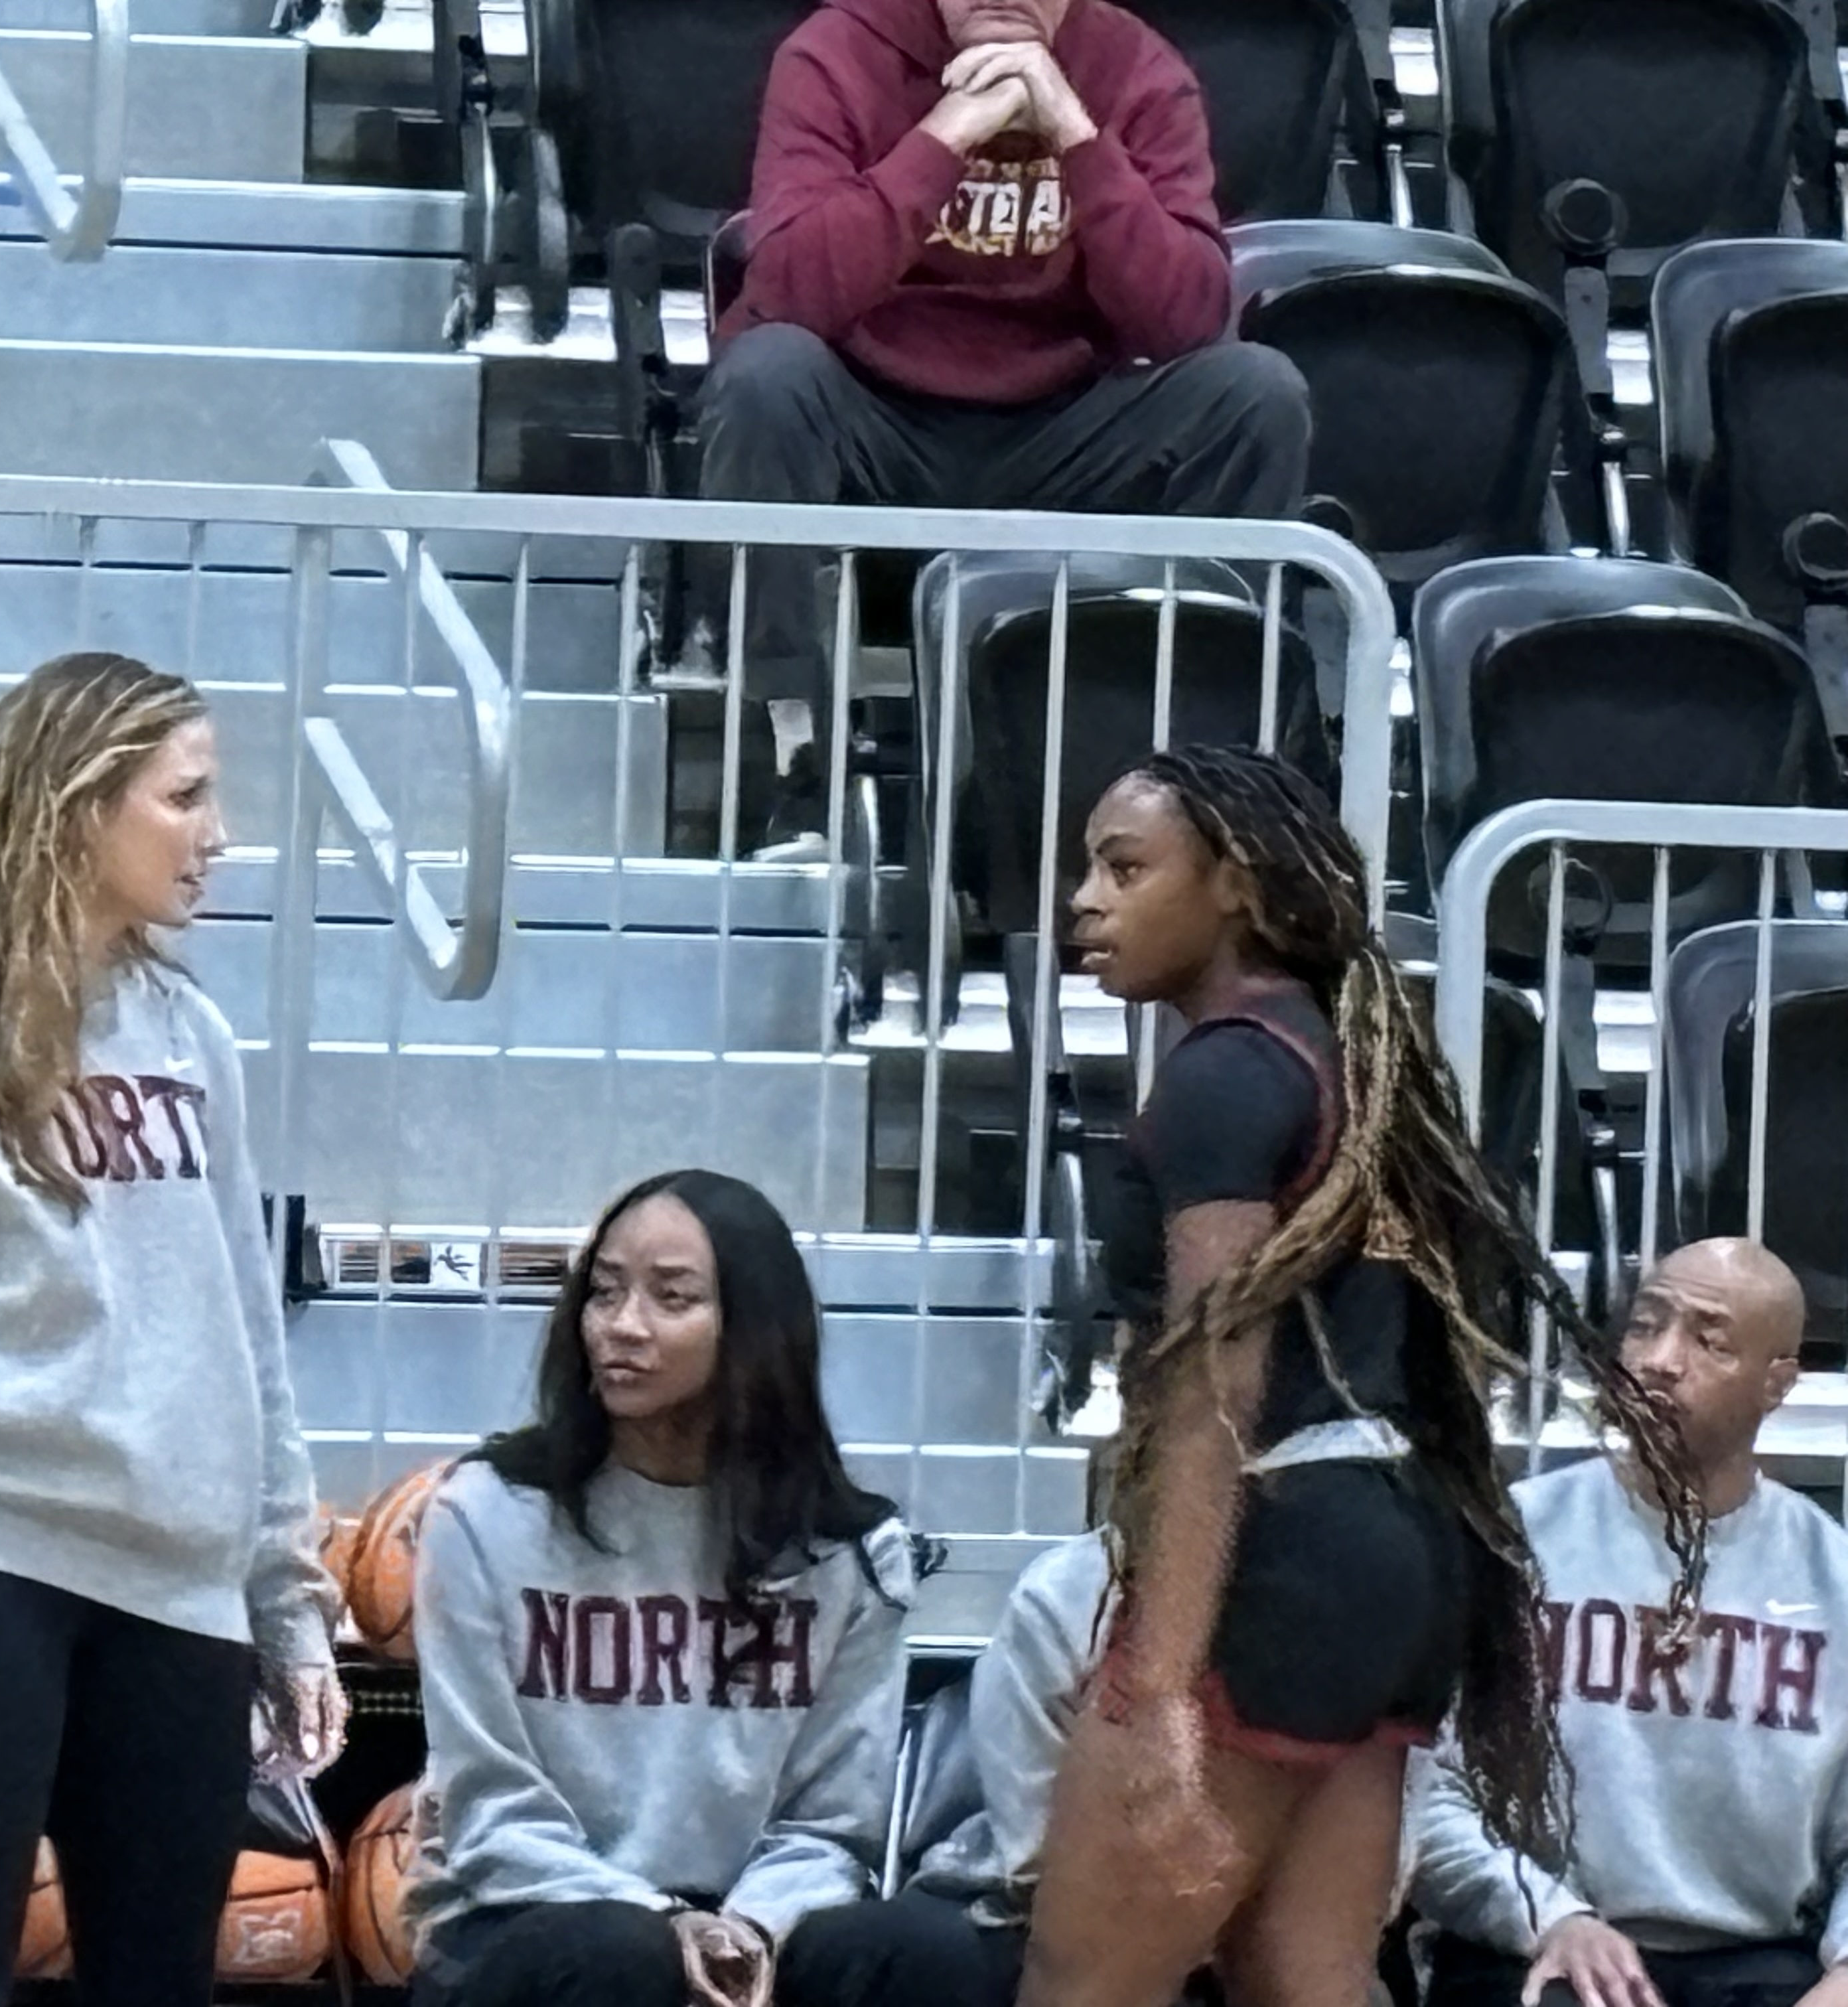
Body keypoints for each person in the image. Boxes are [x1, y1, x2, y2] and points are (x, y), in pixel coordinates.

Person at [1015, 744, 1703, 2007]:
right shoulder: (1347, 1057)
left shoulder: (1222, 1069)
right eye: (1083, 870)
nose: (1084, 901)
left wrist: (1162, 1683)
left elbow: (1215, 1382)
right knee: (1305, 1972)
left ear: (1235, 884)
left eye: (1124, 867)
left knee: (1077, 1984)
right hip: (1394, 1549)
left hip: (1282, 1543)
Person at [0, 650, 346, 2007]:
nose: (218, 835)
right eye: (186, 797)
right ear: (78, 805)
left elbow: (242, 1335)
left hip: (180, 1587)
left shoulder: (189, 1031)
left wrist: (286, 1594)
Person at [699, 0, 1309, 841]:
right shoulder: (838, 52)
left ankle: (1193, 767)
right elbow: (789, 291)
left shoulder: (1137, 69)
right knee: (766, 375)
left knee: (1255, 394)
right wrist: (945, 137)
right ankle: (793, 747)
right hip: (871, 422)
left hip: (1062, 436)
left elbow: (1189, 319)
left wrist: (1074, 132)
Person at [407, 1168, 916, 2007]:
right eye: (603, 1293)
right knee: (620, 1957)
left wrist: (746, 1931)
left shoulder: (852, 1552)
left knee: (911, 1950)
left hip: (751, 1921)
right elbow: (493, 1818)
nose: (620, 1327)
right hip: (524, 1919)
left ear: (754, 1331)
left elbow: (829, 1828)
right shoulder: (485, 1515)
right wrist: (664, 1921)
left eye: (670, 1298)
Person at [1412, 1239, 1848, 2007]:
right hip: (1543, 1944)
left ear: (1777, 1384)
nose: (1659, 1360)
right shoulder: (1512, 1542)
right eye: (1646, 1327)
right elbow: (1430, 1794)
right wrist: (1553, 1918)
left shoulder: (1832, 1577)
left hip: (1763, 1960)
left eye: (1708, 1341)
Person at [782, 1532, 1111, 2007]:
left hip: (1219, 1907)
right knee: (861, 1948)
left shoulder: (1258, 1607)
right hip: (1032, 1892)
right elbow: (1033, 1853)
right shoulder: (1070, 1588)